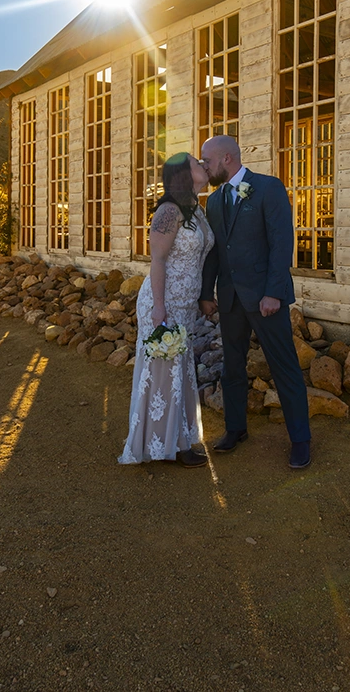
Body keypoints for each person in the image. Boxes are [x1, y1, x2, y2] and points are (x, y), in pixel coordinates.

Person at [199, 136, 311, 469]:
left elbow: (281, 242)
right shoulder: (214, 202)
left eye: (208, 160)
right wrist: (207, 293)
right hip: (231, 298)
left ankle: (301, 441)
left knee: (284, 367)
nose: (205, 166)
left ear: (227, 158)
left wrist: (274, 292)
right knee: (231, 367)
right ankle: (235, 429)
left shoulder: (268, 188)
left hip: (266, 298)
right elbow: (216, 252)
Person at [118, 153, 214, 467]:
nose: (203, 164)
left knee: (180, 371)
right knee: (163, 373)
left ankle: (179, 439)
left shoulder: (196, 209)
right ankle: (163, 445)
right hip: (164, 303)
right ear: (185, 174)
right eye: (197, 162)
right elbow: (157, 260)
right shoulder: (169, 210)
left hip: (185, 305)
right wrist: (159, 307)